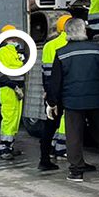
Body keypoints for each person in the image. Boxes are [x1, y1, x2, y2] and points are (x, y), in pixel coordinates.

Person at [46, 18, 99, 182]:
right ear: (84, 31)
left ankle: (76, 172)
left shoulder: (62, 53)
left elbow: (55, 83)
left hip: (73, 103)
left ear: (67, 33)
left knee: (74, 136)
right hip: (96, 100)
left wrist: (52, 103)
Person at [37, 14, 70, 171]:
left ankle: (47, 152)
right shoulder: (70, 43)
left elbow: (45, 71)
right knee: (66, 120)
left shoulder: (49, 45)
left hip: (51, 89)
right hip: (66, 89)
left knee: (50, 123)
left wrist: (47, 90)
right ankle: (61, 148)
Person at [0, 24, 25, 160]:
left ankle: (10, 145)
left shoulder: (16, 52)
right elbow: (0, 75)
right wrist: (14, 87)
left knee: (15, 118)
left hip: (17, 89)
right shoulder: (1, 52)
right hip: (8, 89)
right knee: (9, 117)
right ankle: (4, 148)